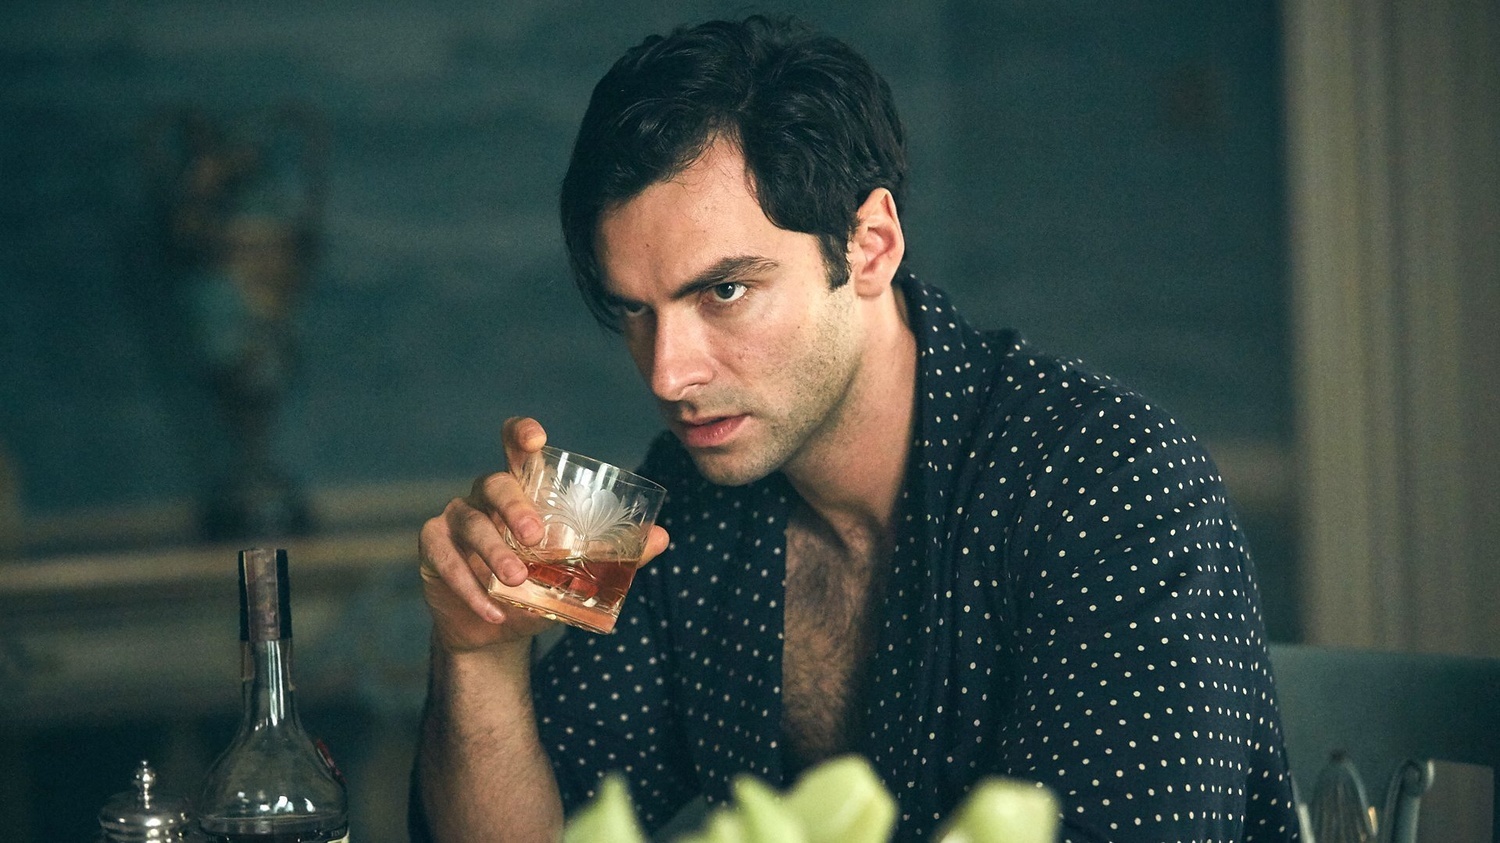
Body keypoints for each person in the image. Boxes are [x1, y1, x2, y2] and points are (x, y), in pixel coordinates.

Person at [410, 15, 1299, 842]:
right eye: (636, 311)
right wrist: (479, 654)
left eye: (724, 291)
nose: (668, 373)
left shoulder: (1116, 489)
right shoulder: (688, 499)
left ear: (870, 245)